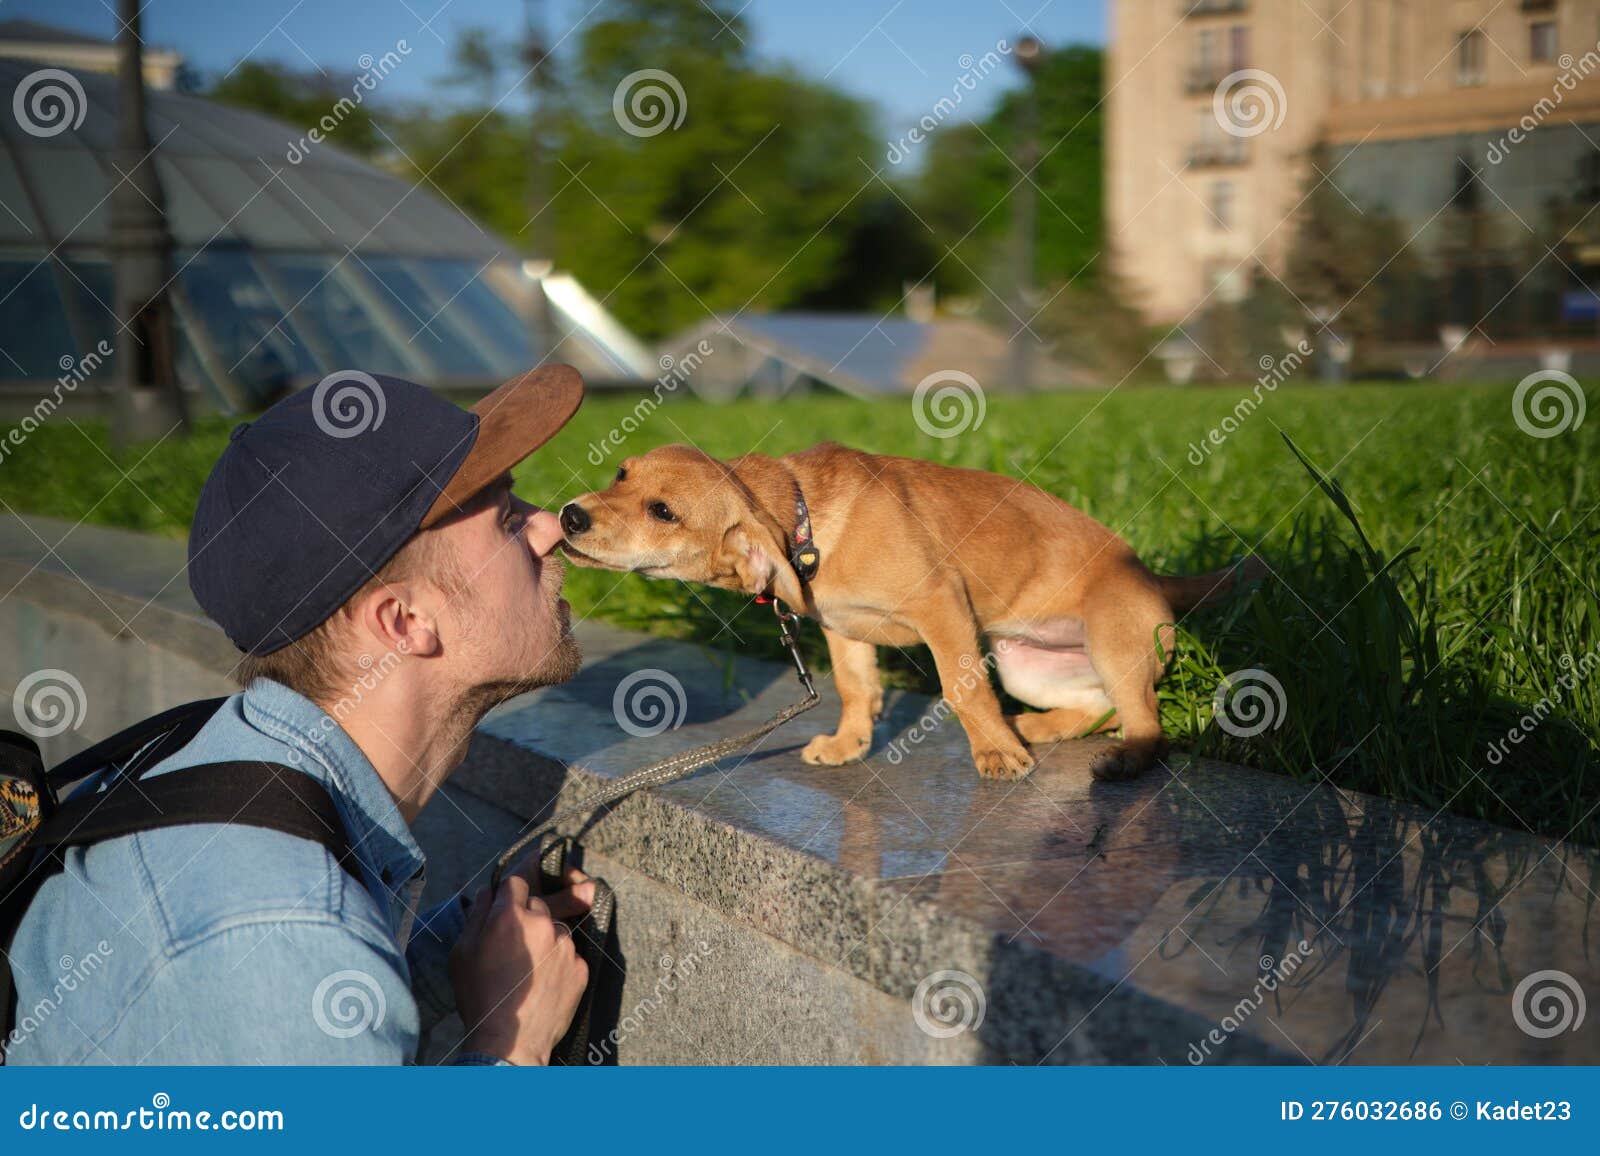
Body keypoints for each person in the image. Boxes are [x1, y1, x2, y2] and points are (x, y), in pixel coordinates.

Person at [8, 366, 593, 1065]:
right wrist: (512, 1040)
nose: (550, 528)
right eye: (506, 517)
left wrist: (452, 964)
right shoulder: (286, 931)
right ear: (404, 622)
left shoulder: (216, 757)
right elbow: (284, 975)